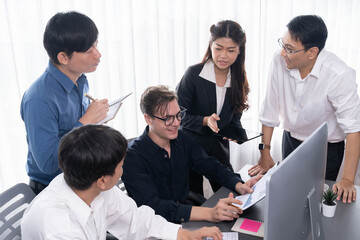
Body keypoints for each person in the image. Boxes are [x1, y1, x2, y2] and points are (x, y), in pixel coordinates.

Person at [21, 124, 223, 240]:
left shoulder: (90, 182)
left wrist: (185, 234)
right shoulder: (59, 227)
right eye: (121, 165)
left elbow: (135, 219)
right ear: (102, 180)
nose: (123, 171)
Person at [249, 15, 360, 203]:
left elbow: (353, 129)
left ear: (312, 52)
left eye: (289, 49)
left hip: (326, 149)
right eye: (282, 45)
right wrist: (265, 153)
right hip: (291, 140)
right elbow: (270, 109)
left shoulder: (339, 75)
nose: (283, 53)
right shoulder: (279, 60)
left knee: (318, 201)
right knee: (291, 195)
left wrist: (348, 180)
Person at [122, 85, 260, 223]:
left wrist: (238, 184)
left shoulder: (181, 139)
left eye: (178, 115)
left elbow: (211, 166)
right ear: (148, 119)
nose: (176, 123)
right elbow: (155, 207)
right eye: (168, 118)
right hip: (156, 226)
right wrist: (210, 213)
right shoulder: (132, 157)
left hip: (185, 215)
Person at [20, 11, 109, 195]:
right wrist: (85, 122)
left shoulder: (81, 80)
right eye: (88, 50)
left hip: (79, 178)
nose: (98, 54)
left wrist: (94, 121)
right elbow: (47, 163)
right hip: (51, 190)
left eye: (96, 45)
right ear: (63, 57)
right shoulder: (39, 98)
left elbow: (76, 131)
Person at [176, 20, 249, 196]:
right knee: (192, 198)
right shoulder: (194, 74)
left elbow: (235, 116)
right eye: (218, 48)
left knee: (230, 193)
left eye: (231, 50)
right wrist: (204, 120)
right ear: (210, 46)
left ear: (239, 51)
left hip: (218, 149)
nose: (223, 55)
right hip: (189, 147)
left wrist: (239, 134)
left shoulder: (239, 79)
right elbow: (177, 114)